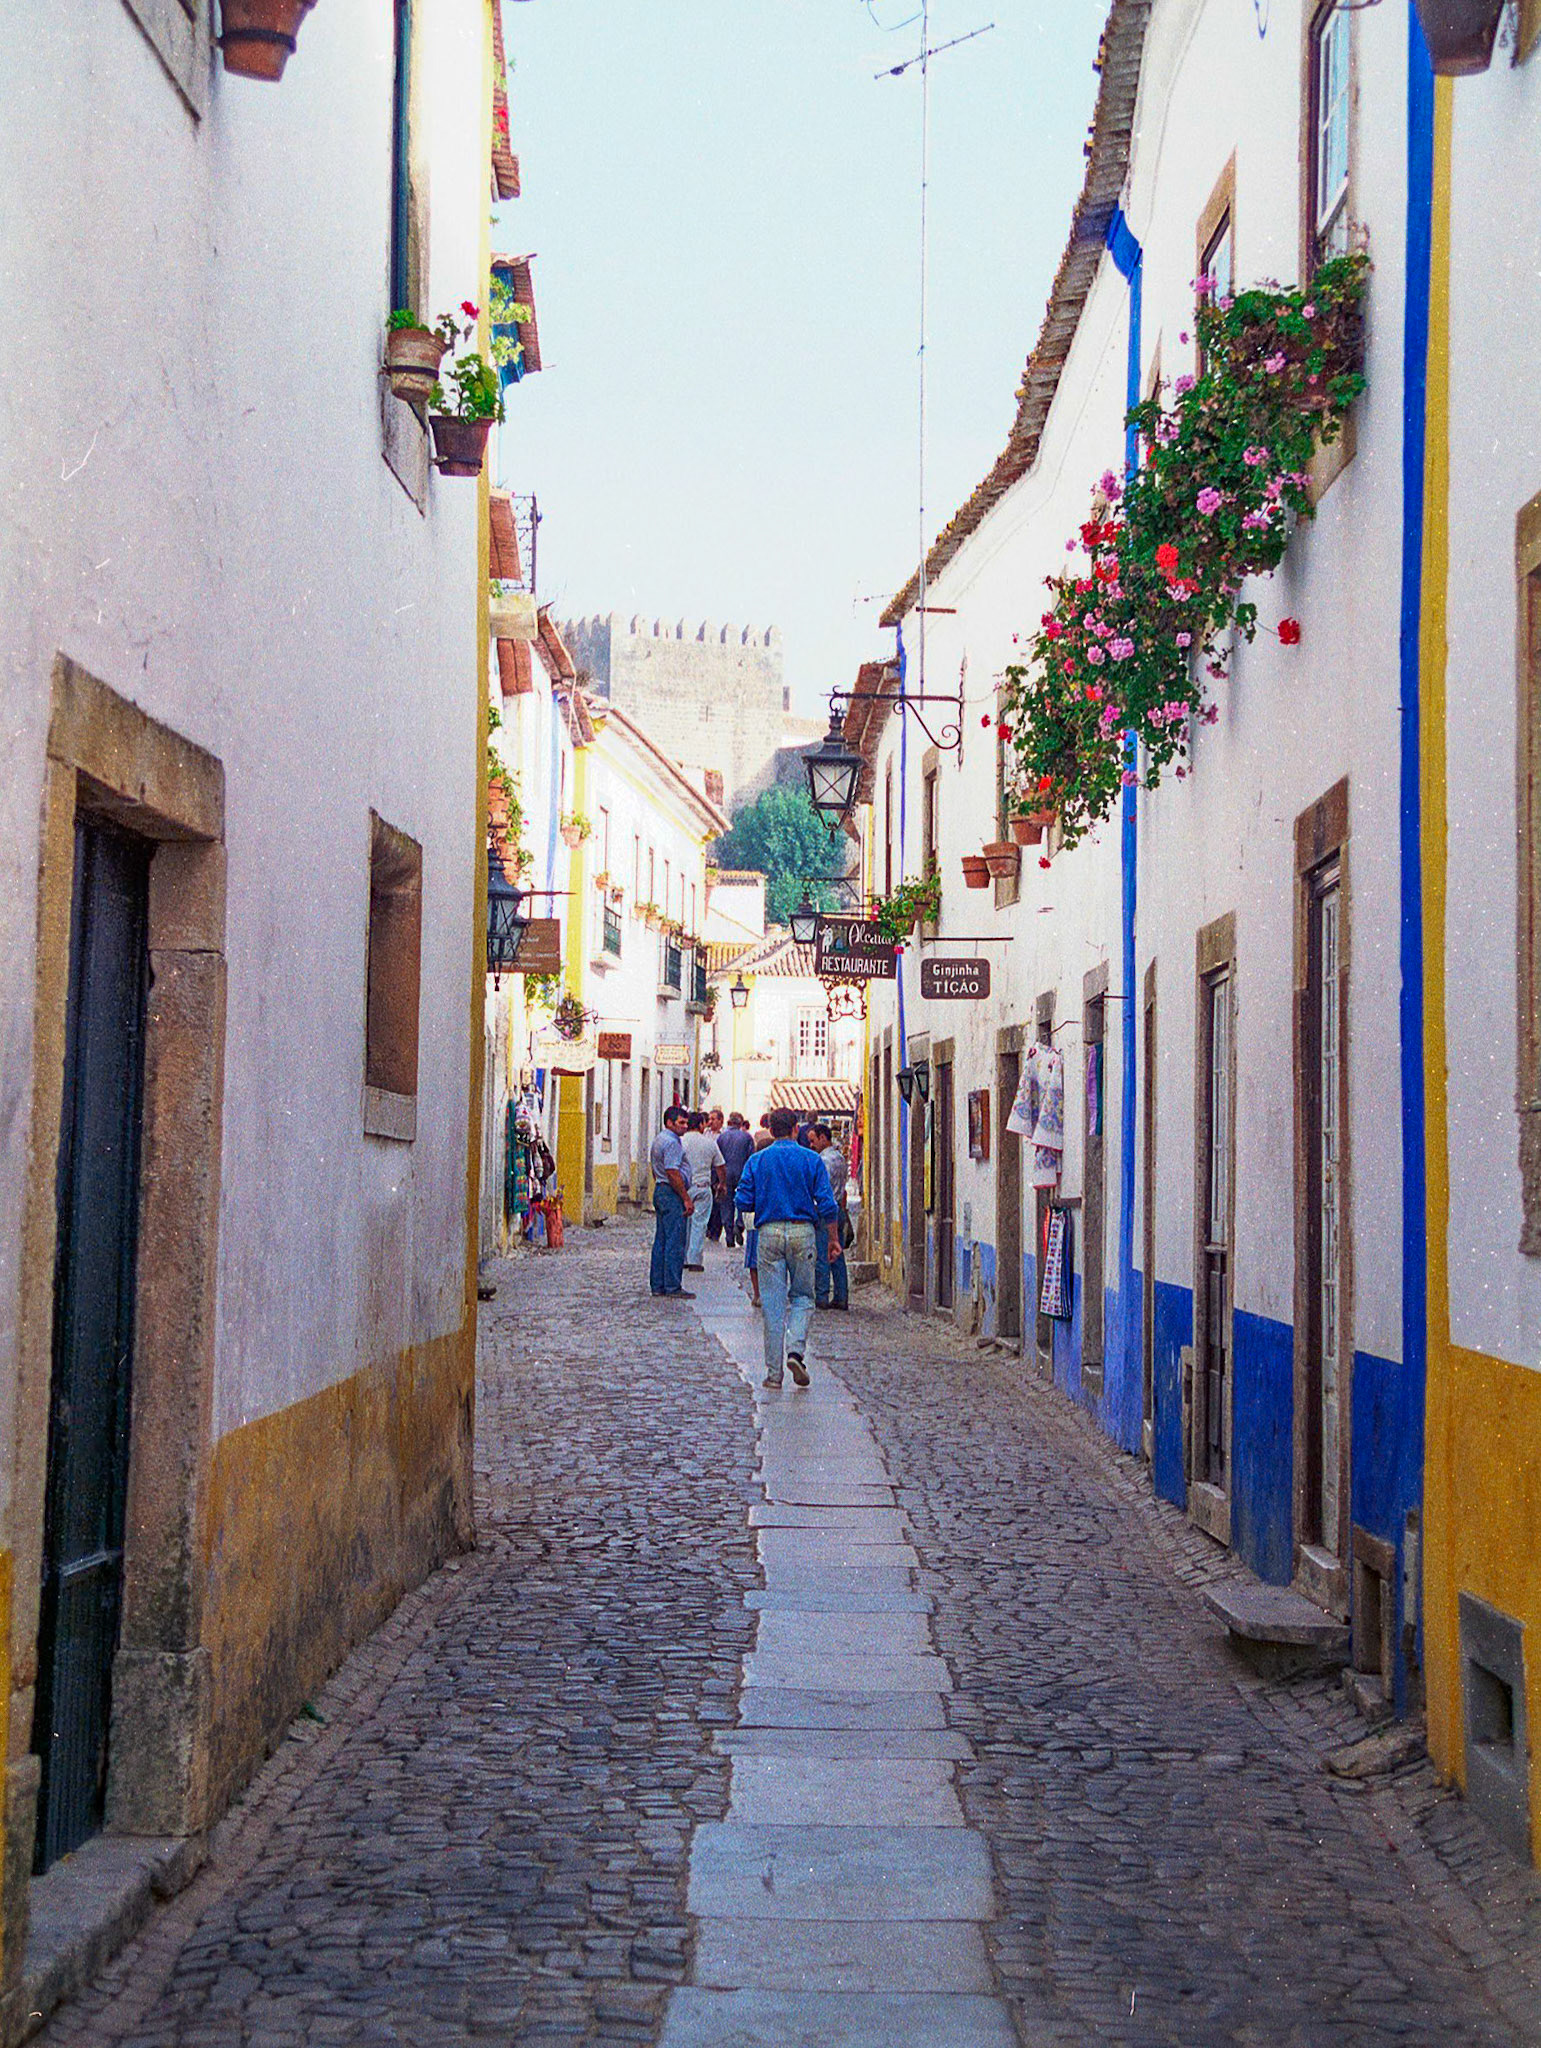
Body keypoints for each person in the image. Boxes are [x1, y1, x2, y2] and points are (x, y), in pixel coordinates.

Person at [734, 1105, 841, 1389]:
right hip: (803, 1231)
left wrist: (765, 1201)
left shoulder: (757, 1161)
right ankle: (795, 1350)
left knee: (772, 1302)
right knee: (804, 1297)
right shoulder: (811, 1160)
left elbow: (742, 1200)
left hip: (768, 1231)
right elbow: (828, 1204)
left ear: (771, 1130)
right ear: (797, 1130)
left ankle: (773, 1374)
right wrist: (833, 1239)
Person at [649, 1104, 695, 1299]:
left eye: (686, 1123)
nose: (685, 1126)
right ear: (669, 1122)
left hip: (661, 1189)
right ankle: (672, 1285)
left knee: (661, 1239)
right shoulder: (672, 1143)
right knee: (675, 1241)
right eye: (681, 1122)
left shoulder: (659, 1139)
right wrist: (685, 1197)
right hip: (671, 1193)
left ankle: (658, 1284)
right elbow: (672, 1171)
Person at [810, 1122, 851, 1311]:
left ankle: (822, 1296)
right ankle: (842, 1295)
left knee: (823, 1254)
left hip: (825, 1211)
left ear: (823, 1138)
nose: (811, 1145)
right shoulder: (840, 1158)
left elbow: (820, 1189)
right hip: (839, 1209)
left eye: (813, 1141)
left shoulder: (823, 1161)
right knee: (837, 1253)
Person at [681, 1109, 725, 1273]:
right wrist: (722, 1184)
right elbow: (720, 1166)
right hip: (702, 1186)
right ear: (700, 1125)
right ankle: (695, 1259)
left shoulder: (680, 1141)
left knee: (685, 1223)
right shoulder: (709, 1143)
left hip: (684, 1188)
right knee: (699, 1223)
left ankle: (684, 1258)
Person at [716, 1113, 755, 1249]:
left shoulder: (721, 1137)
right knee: (742, 1201)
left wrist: (717, 1179)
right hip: (741, 1173)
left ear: (728, 1122)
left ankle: (729, 1234)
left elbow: (717, 1159)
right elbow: (751, 1158)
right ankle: (739, 1224)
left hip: (725, 1174)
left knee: (726, 1203)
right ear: (740, 1124)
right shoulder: (747, 1137)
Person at [705, 1108, 728, 1240]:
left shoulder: (723, 1135)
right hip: (707, 1169)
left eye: (713, 1119)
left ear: (720, 1121)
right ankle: (707, 1227)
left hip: (718, 1169)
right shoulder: (704, 1134)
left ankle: (715, 1230)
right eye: (709, 1119)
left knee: (717, 1202)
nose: (711, 1122)